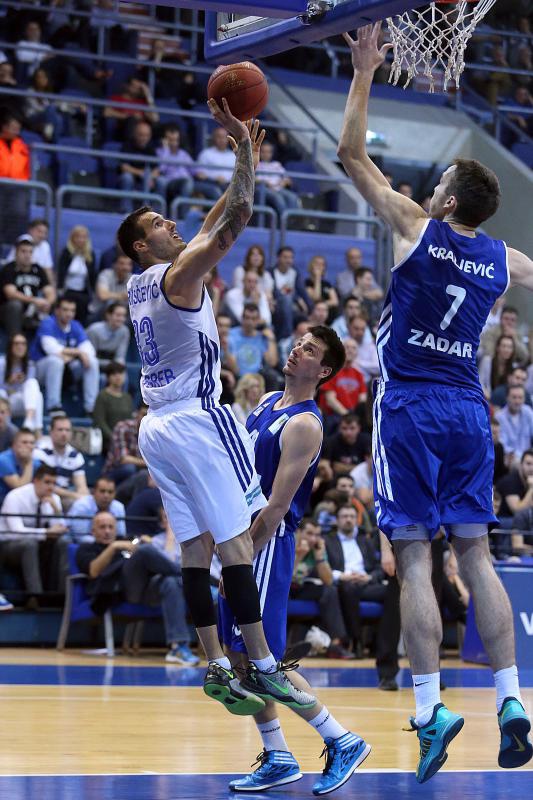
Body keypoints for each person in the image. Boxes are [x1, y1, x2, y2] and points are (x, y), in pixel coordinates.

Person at [338, 23, 533, 781]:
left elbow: (352, 156)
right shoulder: (501, 257)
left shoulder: (415, 228)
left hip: (411, 407)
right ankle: (512, 698)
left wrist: (362, 70)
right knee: (477, 554)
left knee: (415, 559)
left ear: (446, 196)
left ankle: (428, 709)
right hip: (468, 412)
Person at [117, 106, 310, 715]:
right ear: (143, 244)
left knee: (193, 549)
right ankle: (265, 663)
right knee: (236, 543)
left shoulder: (139, 283)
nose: (170, 222)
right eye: (157, 222)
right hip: (198, 418)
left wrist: (235, 165)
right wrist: (248, 160)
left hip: (156, 427)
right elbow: (232, 227)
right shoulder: (178, 278)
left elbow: (206, 223)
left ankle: (218, 665)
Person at [219, 326, 371, 795]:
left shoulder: (305, 424)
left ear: (323, 371)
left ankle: (341, 739)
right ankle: (280, 756)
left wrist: (243, 559)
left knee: (264, 660)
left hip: (265, 542)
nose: (296, 349)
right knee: (239, 656)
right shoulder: (265, 401)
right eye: (298, 342)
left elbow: (278, 505)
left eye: (309, 349)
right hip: (239, 537)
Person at [76, 511, 196, 663]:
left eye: (110, 527)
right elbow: (93, 571)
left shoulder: (128, 540)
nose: (107, 531)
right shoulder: (86, 548)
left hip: (146, 590)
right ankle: (195, 578)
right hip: (120, 591)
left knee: (170, 582)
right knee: (145, 551)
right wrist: (113, 547)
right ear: (93, 530)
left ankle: (178, 647)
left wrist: (146, 542)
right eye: (102, 527)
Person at [324, 505, 386, 657]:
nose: (348, 520)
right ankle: (356, 640)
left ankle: (382, 645)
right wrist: (341, 576)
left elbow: (379, 567)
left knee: (393, 591)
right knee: (349, 588)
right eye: (344, 516)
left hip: (366, 585)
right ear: (337, 521)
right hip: (343, 584)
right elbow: (320, 568)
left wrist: (369, 577)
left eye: (352, 516)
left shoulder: (365, 541)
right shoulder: (328, 541)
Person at [0, 464, 67, 596]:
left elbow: (60, 529)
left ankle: (59, 596)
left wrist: (56, 511)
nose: (51, 487)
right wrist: (46, 533)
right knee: (29, 544)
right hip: (7, 545)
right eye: (47, 482)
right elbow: (16, 532)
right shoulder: (16, 497)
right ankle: (35, 596)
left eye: (54, 483)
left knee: (63, 543)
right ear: (36, 481)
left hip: (37, 542)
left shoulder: (54, 499)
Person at [30, 298, 100, 414]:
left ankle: (91, 407)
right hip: (41, 370)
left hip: (67, 369)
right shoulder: (48, 323)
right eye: (65, 310)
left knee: (92, 361)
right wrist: (78, 353)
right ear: (57, 311)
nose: (69, 314)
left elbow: (89, 350)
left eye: (72, 311)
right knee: (56, 361)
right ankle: (54, 406)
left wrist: (73, 355)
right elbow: (51, 349)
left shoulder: (75, 325)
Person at [0, 235, 55, 337]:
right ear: (16, 252)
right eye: (23, 251)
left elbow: (50, 291)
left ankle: (51, 342)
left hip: (32, 310)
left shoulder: (38, 269)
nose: (27, 255)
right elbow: (10, 294)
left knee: (56, 305)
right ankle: (15, 340)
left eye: (30, 252)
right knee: (15, 305)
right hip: (8, 311)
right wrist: (34, 300)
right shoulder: (9, 269)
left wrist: (47, 303)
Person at [33, 415, 89, 510]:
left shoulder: (75, 455)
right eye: (60, 430)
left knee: (85, 505)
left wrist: (83, 497)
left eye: (67, 430)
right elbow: (44, 484)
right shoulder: (40, 452)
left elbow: (82, 486)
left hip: (66, 497)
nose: (64, 434)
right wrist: (74, 495)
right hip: (44, 494)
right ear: (51, 432)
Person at [0, 335, 44, 433]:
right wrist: (9, 383)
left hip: (22, 403)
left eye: (23, 344)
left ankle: (29, 422)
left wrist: (21, 383)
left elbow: (30, 392)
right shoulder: (2, 363)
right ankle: (5, 430)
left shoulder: (30, 365)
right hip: (4, 401)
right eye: (17, 344)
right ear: (10, 346)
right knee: (1, 392)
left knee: (34, 386)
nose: (20, 347)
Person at [57, 225, 96, 325]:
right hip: (67, 291)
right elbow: (61, 273)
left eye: (84, 237)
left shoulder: (90, 255)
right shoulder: (66, 253)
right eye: (78, 237)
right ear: (72, 238)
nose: (81, 240)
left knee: (83, 303)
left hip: (83, 292)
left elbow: (92, 277)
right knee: (72, 300)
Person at [68, 476, 126, 542]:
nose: (106, 495)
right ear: (94, 492)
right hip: (79, 542)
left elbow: (120, 534)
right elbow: (80, 536)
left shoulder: (119, 507)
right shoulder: (82, 506)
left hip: (107, 543)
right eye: (102, 491)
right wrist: (104, 541)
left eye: (110, 492)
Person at [92, 362, 134, 452]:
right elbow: (99, 422)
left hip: (127, 441)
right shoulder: (103, 396)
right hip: (108, 441)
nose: (118, 377)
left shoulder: (127, 397)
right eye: (114, 374)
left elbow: (130, 420)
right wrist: (114, 437)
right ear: (108, 377)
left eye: (121, 373)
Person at [0, 427, 40, 504]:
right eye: (24, 442)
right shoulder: (3, 459)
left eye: (32, 443)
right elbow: (19, 489)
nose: (29, 446)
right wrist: (29, 462)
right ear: (14, 445)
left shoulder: (37, 463)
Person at [495, 386, 533, 465]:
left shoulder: (528, 412)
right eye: (514, 397)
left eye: (520, 398)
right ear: (507, 398)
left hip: (529, 457)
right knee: (517, 463)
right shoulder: (499, 417)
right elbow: (503, 445)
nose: (517, 401)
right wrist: (521, 456)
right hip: (510, 458)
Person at [87, 302, 130, 370]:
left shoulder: (124, 331)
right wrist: (111, 364)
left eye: (123, 316)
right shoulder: (94, 330)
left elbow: (120, 357)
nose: (121, 319)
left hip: (112, 367)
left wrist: (117, 365)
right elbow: (90, 357)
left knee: (122, 375)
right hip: (93, 365)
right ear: (108, 315)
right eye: (118, 315)